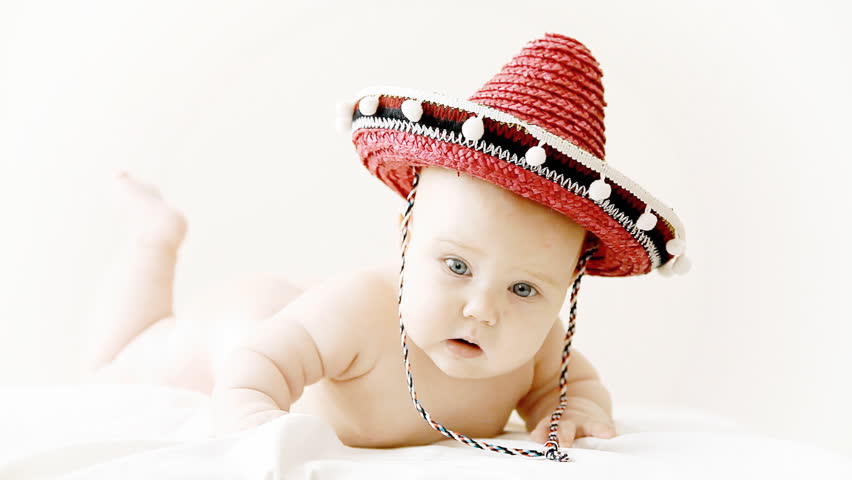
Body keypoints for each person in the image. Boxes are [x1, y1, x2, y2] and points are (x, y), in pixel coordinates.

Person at [84, 33, 689, 462]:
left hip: (304, 327)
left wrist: (576, 413)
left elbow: (568, 388)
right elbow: (256, 367)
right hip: (249, 324)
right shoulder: (358, 310)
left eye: (524, 288)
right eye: (456, 266)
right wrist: (253, 420)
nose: (483, 309)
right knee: (121, 363)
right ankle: (153, 239)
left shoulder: (537, 346)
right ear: (408, 233)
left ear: (567, 287)